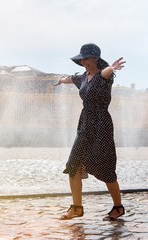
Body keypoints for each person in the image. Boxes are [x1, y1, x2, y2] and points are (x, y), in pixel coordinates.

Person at [54, 43, 126, 221]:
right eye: (81, 59)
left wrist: (112, 67)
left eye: (85, 58)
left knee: (106, 168)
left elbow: (106, 72)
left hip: (101, 125)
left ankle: (118, 207)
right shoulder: (82, 78)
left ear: (94, 59)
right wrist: (61, 80)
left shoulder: (103, 76)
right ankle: (77, 207)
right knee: (73, 165)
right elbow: (71, 78)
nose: (82, 61)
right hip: (85, 124)